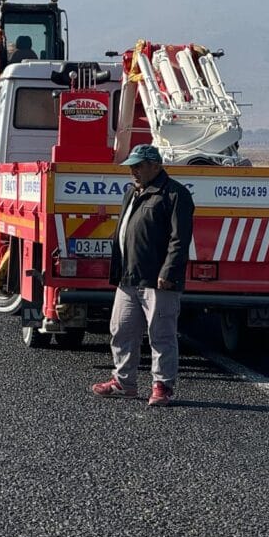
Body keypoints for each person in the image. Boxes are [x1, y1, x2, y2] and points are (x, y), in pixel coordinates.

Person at [91, 144, 194, 407]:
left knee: (161, 334)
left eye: (138, 166)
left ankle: (162, 386)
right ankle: (123, 382)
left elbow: (180, 239)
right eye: (131, 166)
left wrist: (168, 271)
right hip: (128, 277)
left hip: (158, 281)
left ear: (155, 166)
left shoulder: (175, 194)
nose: (133, 171)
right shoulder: (132, 192)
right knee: (121, 330)